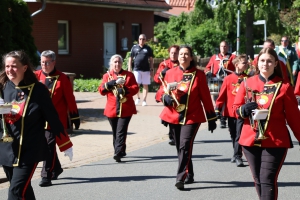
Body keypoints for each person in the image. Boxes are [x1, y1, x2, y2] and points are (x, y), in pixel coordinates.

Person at [0, 50, 72, 199]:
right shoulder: (3, 86)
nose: (9, 70)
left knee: (15, 191)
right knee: (25, 191)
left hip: (30, 151)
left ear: (24, 68)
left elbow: (52, 117)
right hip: (7, 149)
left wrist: (65, 143)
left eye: (14, 66)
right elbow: (6, 114)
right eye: (7, 66)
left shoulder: (38, 90)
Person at [233, 47, 300, 200]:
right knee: (258, 180)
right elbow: (235, 109)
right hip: (250, 140)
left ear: (275, 63)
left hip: (275, 140)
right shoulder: (246, 83)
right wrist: (243, 110)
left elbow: (294, 118)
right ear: (257, 63)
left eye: (269, 61)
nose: (265, 64)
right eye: (262, 61)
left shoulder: (284, 87)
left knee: (267, 180)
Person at [158, 45, 217, 190]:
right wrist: (164, 97)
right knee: (180, 147)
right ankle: (189, 173)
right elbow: (161, 91)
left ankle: (180, 178)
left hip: (192, 116)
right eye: (181, 54)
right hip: (174, 115)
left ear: (191, 57)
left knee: (184, 145)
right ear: (177, 57)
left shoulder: (199, 75)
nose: (183, 56)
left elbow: (206, 97)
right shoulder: (170, 73)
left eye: (186, 54)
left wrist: (211, 117)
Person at [35, 50, 79, 187]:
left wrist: (74, 116)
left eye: (47, 62)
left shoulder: (62, 78)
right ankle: (57, 168)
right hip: (38, 120)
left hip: (54, 120)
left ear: (54, 62)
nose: (44, 65)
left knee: (48, 146)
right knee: (45, 146)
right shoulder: (35, 76)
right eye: (42, 62)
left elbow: (69, 98)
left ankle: (46, 175)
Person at [99, 54, 139, 162]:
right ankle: (120, 149)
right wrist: (110, 84)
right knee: (115, 131)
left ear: (122, 64)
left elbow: (135, 88)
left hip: (126, 108)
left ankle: (117, 152)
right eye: (115, 62)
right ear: (111, 64)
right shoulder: (107, 76)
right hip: (111, 109)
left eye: (119, 62)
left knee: (121, 131)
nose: (117, 64)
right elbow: (101, 91)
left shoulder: (129, 75)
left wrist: (125, 90)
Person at [215, 54, 248, 167]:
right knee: (233, 134)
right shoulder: (228, 79)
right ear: (237, 64)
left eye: (247, 62)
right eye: (244, 62)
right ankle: (235, 154)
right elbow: (222, 95)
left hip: (242, 112)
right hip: (230, 111)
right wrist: (218, 108)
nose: (246, 64)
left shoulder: (248, 79)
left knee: (239, 134)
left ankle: (238, 156)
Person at [204, 41, 236, 128]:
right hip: (216, 81)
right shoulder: (214, 57)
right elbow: (207, 67)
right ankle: (218, 112)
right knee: (217, 98)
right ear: (219, 47)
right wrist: (208, 73)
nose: (223, 48)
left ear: (228, 47)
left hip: (228, 81)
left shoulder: (233, 57)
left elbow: (237, 66)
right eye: (222, 46)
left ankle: (223, 118)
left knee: (226, 99)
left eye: (225, 46)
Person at [154, 45, 180, 146]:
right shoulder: (164, 64)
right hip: (166, 92)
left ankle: (173, 133)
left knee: (175, 111)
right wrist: (162, 73)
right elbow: (156, 79)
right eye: (172, 53)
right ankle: (172, 135)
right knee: (170, 110)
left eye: (175, 53)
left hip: (178, 91)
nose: (173, 55)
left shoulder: (181, 64)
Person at [128, 34, 154, 106]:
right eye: (140, 39)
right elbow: (130, 59)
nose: (141, 40)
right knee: (137, 85)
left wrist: (151, 70)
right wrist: (129, 68)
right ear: (138, 39)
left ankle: (144, 100)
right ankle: (138, 98)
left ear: (145, 40)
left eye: (143, 39)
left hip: (146, 69)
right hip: (137, 69)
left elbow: (151, 60)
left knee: (145, 85)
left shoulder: (148, 48)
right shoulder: (134, 48)